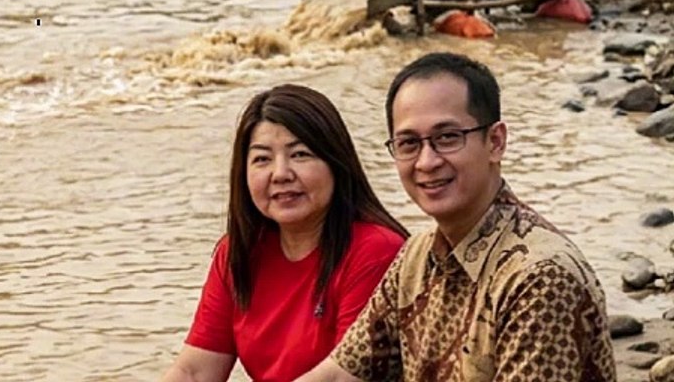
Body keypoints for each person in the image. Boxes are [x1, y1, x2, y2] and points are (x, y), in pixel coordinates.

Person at [295, 52, 615, 382]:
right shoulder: (415, 258)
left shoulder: (540, 278)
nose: (427, 161)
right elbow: (338, 375)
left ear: (495, 142)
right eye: (408, 143)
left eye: (447, 137)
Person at [162, 84, 408, 382]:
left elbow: (343, 378)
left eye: (300, 154)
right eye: (262, 159)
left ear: (336, 162)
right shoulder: (238, 253)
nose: (280, 173)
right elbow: (194, 371)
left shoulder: (376, 250)